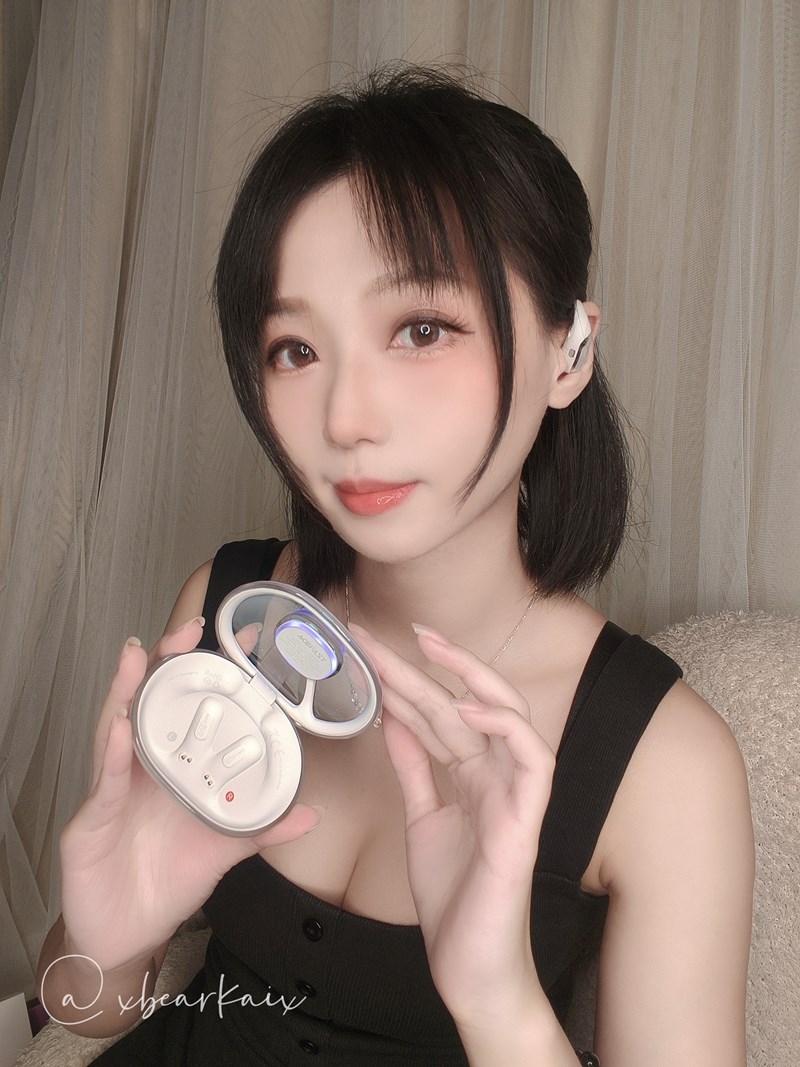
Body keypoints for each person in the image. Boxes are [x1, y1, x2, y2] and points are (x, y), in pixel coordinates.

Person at [35, 67, 753, 1066]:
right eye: (294, 349)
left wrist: (498, 1003)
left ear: (568, 350)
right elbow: (79, 1007)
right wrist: (108, 940)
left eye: (420, 329)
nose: (345, 418)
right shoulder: (234, 612)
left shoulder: (665, 763)